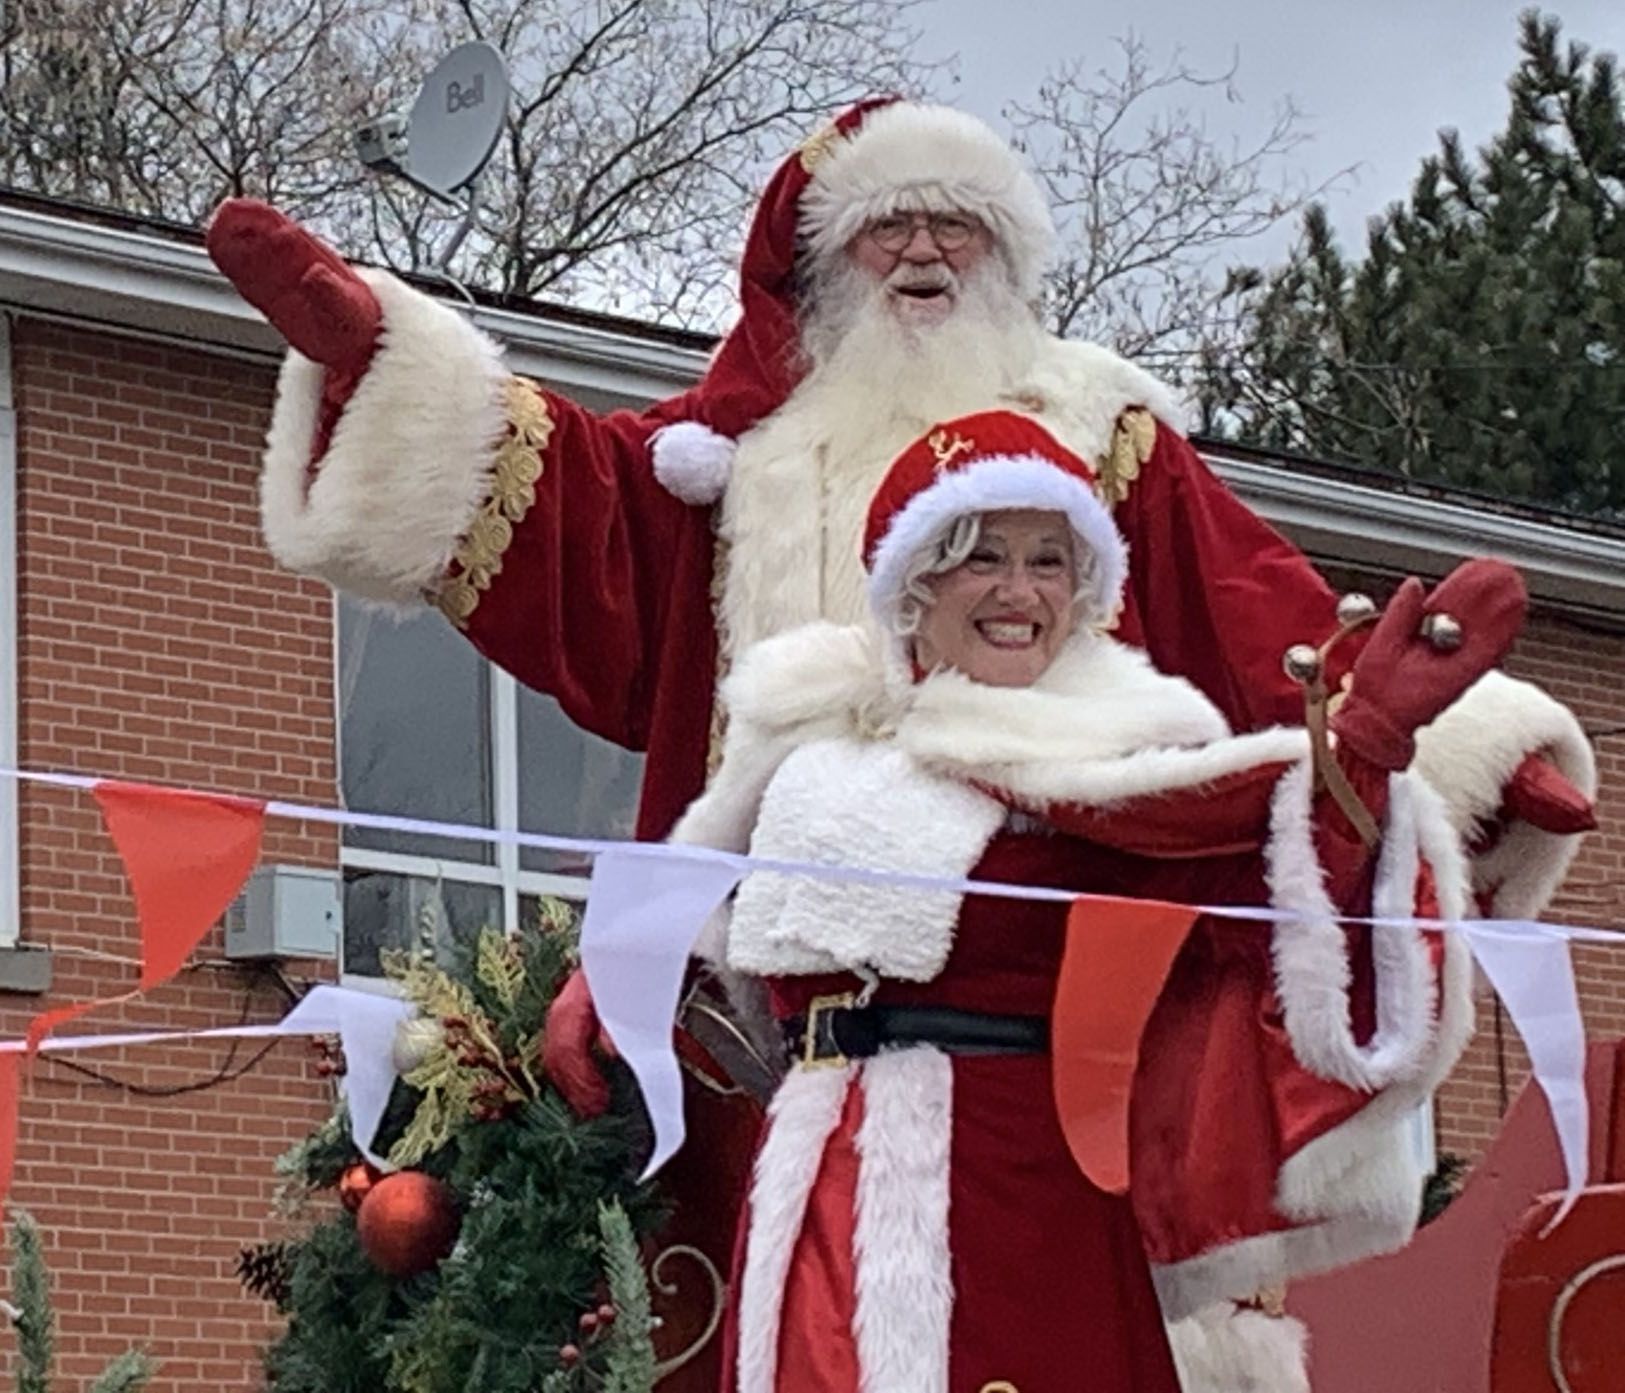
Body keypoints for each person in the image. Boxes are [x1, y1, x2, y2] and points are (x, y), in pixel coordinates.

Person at [204, 97, 1596, 1387]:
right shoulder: (741, 464)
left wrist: (1430, 742)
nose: (925, 251)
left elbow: (1259, 627)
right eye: (891, 222)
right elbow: (583, 532)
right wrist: (392, 369)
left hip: (1060, 1091)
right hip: (769, 1046)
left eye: (959, 225)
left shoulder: (1101, 442)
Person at [668, 409, 1522, 1392]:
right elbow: (697, 927)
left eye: (1047, 562)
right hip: (817, 1176)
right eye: (980, 555)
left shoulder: (1122, 760)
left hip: (1015, 1186)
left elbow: (1264, 892)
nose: (1018, 590)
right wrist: (601, 995)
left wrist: (1359, 754)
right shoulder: (809, 750)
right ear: (915, 580)